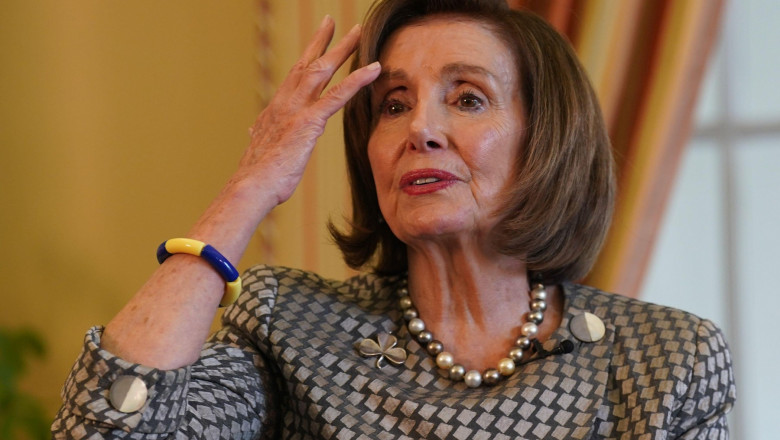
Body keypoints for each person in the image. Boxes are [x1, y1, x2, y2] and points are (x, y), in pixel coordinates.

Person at [52, 0, 736, 438]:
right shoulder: (289, 327)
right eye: (393, 104)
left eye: (467, 99)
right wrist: (251, 184)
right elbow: (109, 427)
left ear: (546, 141)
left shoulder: (667, 361)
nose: (422, 130)